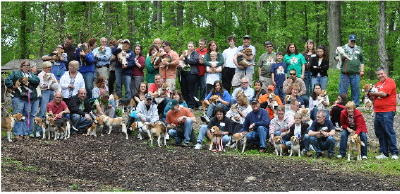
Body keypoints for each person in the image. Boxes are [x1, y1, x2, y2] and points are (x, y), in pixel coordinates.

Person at [4, 60, 40, 139]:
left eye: (28, 65)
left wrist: (28, 79)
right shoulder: (16, 73)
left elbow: (37, 81)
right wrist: (13, 86)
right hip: (18, 97)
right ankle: (17, 133)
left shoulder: (31, 75)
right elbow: (7, 80)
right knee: (17, 114)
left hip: (28, 98)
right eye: (25, 65)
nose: (27, 67)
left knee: (26, 115)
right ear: (21, 66)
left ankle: (25, 133)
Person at [368, 67, 398, 160]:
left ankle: (394, 153)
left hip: (388, 110)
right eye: (378, 74)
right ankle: (384, 153)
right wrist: (369, 93)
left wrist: (373, 93)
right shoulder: (377, 84)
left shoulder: (390, 81)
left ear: (385, 73)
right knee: (379, 132)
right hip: (378, 111)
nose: (380, 75)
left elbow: (384, 94)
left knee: (389, 131)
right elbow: (373, 98)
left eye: (381, 73)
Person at [336, 34, 364, 106]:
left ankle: (355, 104)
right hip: (345, 73)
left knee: (356, 89)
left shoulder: (359, 49)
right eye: (351, 41)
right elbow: (335, 58)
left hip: (356, 73)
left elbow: (362, 61)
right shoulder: (342, 48)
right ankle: (342, 104)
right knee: (343, 89)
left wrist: (362, 70)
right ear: (348, 40)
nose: (352, 42)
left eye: (354, 41)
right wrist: (341, 58)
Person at [179, 41, 200, 109]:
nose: (190, 47)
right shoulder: (185, 53)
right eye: (189, 46)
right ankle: (186, 104)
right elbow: (180, 61)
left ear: (194, 47)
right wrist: (183, 58)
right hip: (184, 73)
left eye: (191, 46)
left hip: (192, 73)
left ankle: (191, 105)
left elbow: (194, 61)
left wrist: (185, 58)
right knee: (184, 89)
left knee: (191, 89)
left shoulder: (196, 54)